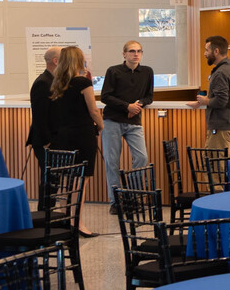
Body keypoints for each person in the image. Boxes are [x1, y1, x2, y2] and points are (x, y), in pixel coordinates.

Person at [100, 40, 155, 205]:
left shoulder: (147, 71)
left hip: (134, 121)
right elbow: (105, 96)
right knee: (112, 162)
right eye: (132, 51)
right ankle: (115, 201)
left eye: (139, 51)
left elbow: (149, 97)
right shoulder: (113, 71)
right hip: (112, 121)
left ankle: (132, 196)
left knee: (142, 158)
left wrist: (137, 105)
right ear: (124, 54)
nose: (136, 54)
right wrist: (127, 107)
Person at [46, 45, 103, 177]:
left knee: (66, 174)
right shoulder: (83, 83)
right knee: (82, 176)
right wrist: (101, 125)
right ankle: (78, 193)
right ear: (79, 60)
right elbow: (93, 111)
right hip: (82, 133)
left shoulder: (57, 83)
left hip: (63, 134)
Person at [195, 35, 230, 152]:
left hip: (220, 126)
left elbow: (221, 100)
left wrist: (205, 101)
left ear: (216, 51)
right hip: (228, 124)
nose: (205, 54)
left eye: (207, 50)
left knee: (215, 161)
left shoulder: (220, 73)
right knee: (216, 159)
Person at [26, 46, 60, 169]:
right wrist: (46, 141)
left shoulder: (53, 81)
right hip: (46, 140)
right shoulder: (43, 82)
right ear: (56, 61)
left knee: (55, 175)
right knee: (50, 177)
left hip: (54, 139)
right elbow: (39, 115)